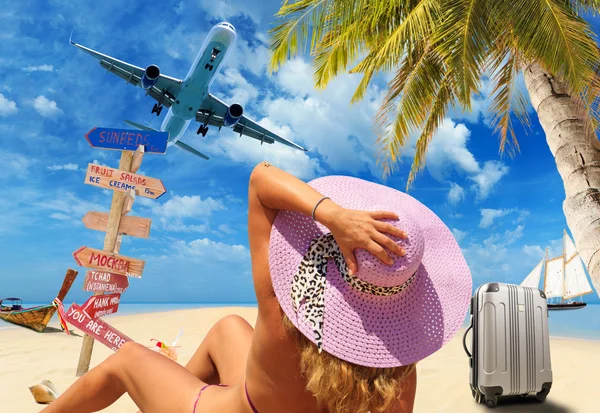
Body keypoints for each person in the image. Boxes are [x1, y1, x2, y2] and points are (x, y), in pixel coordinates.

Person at [41, 162, 471, 413]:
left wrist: (335, 217)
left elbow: (260, 181)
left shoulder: (280, 314)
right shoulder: (400, 366)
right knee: (227, 327)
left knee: (129, 358)